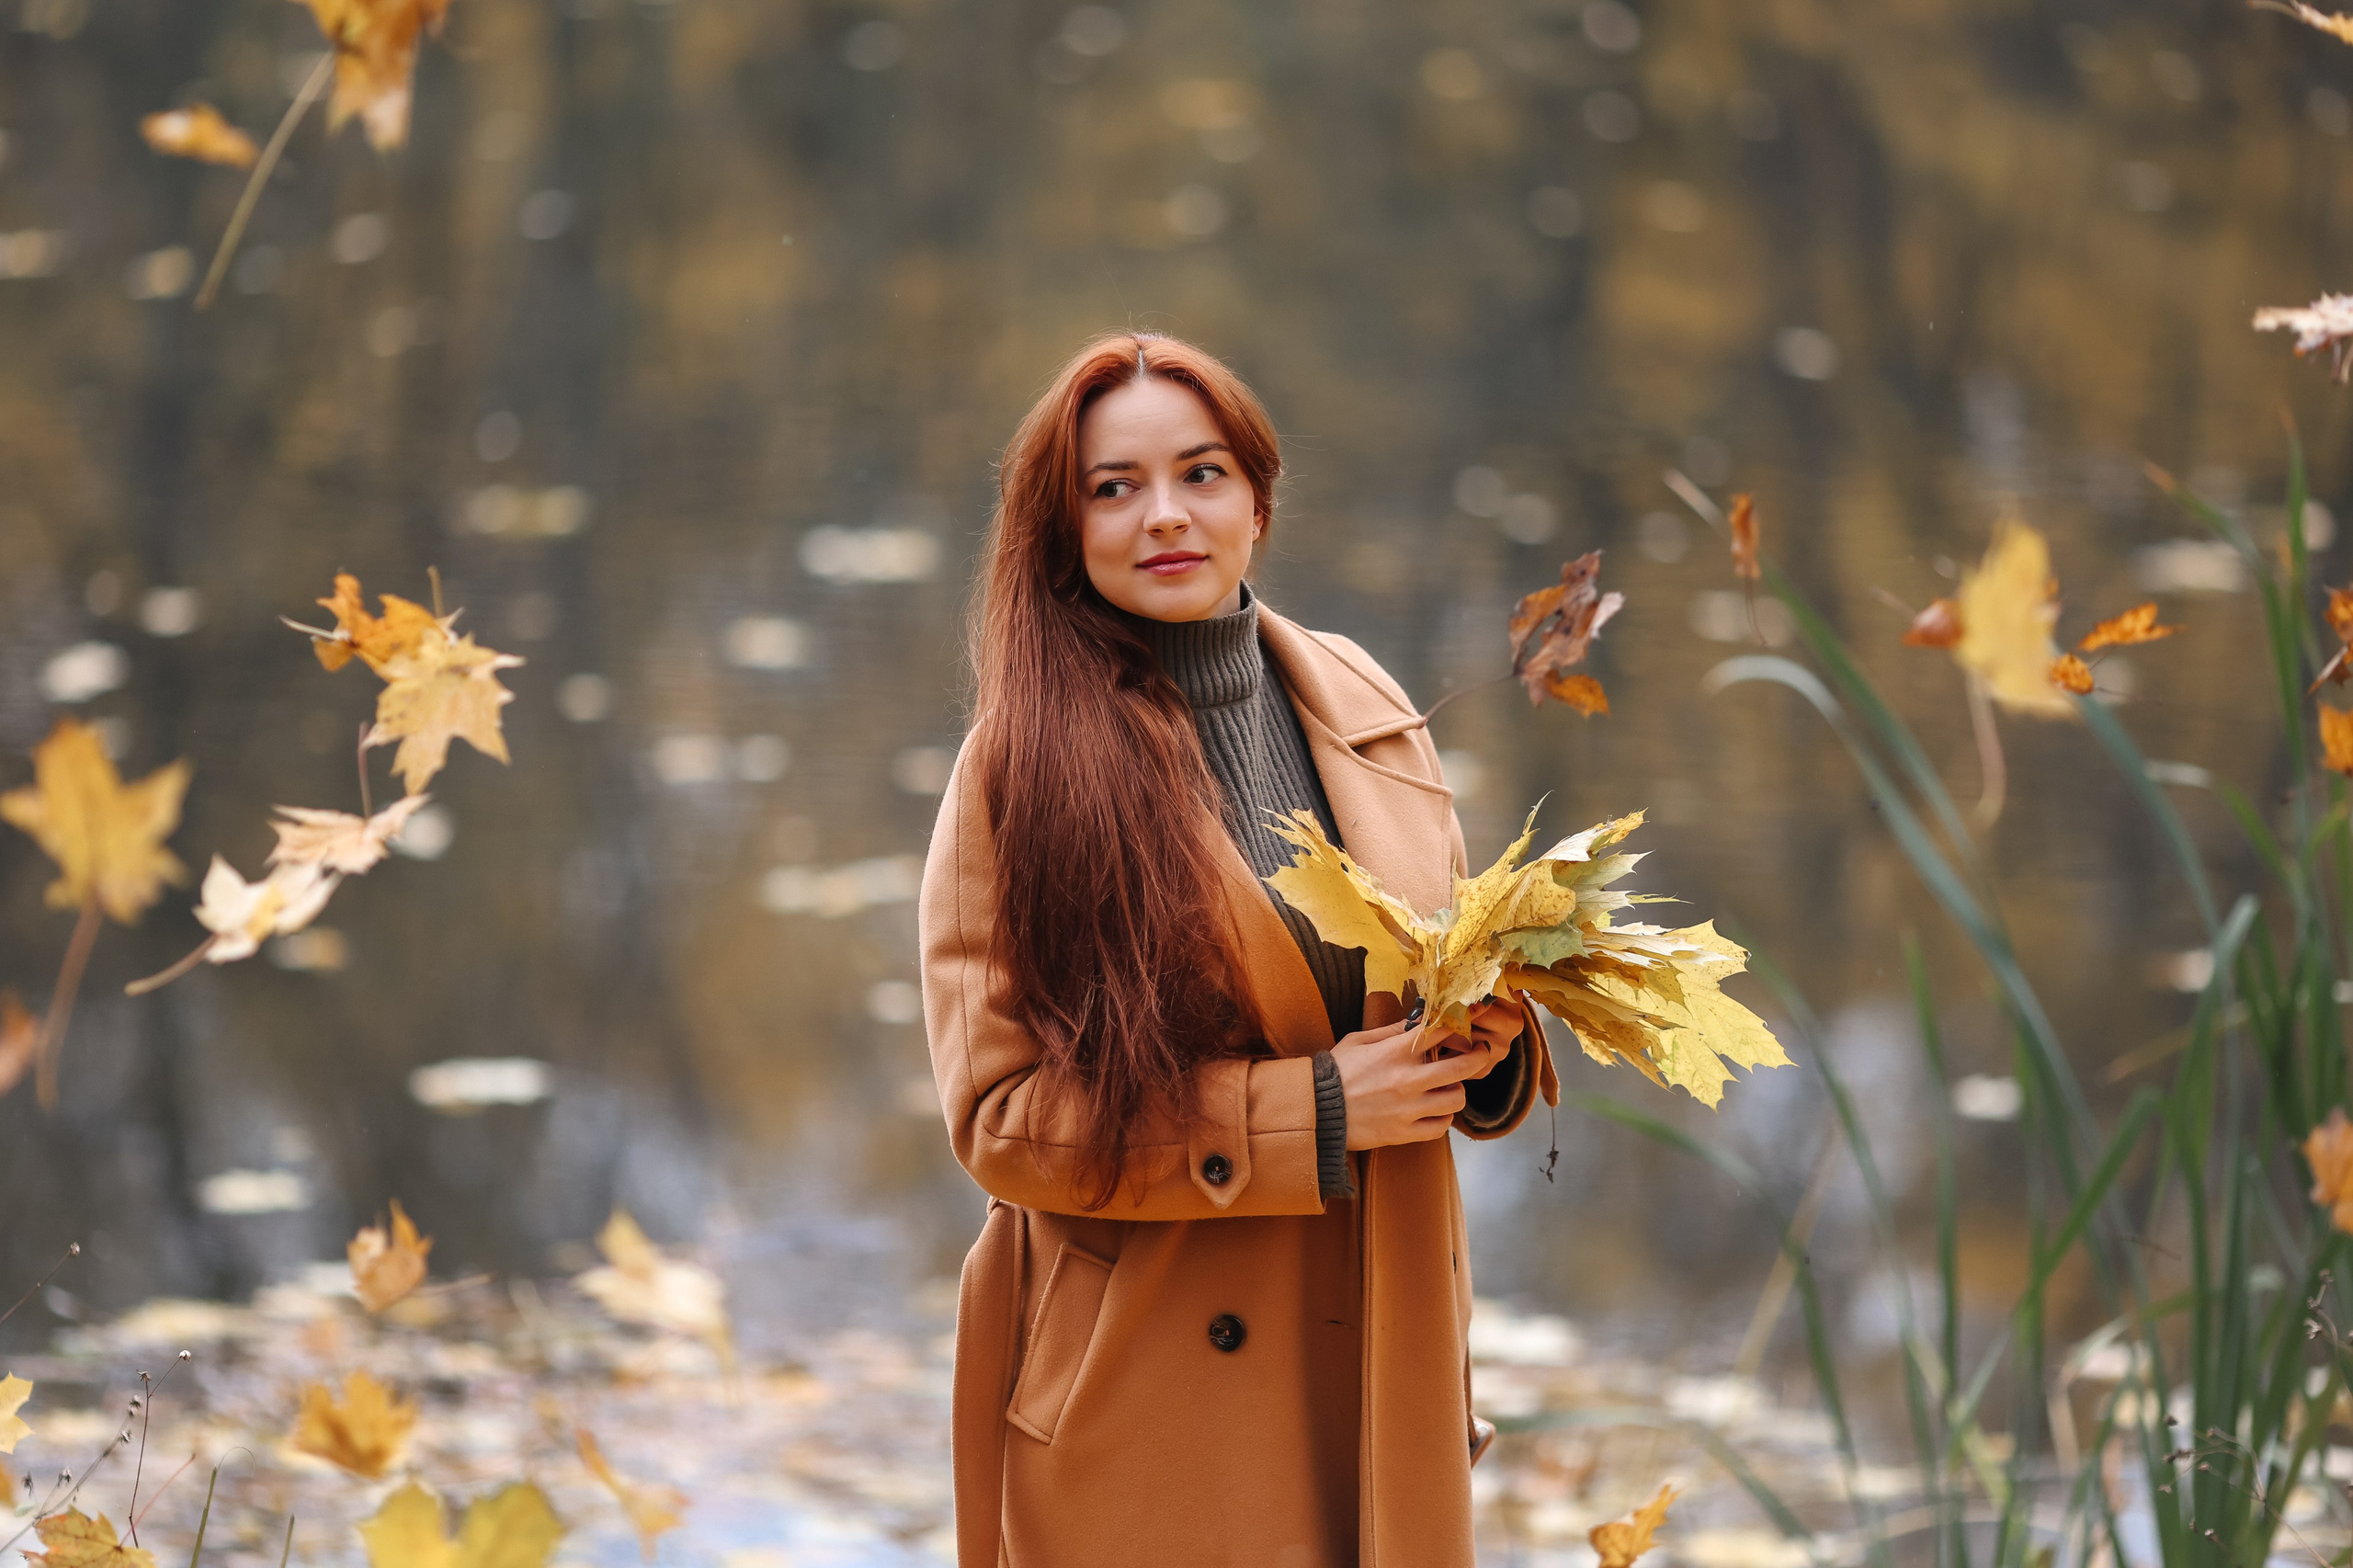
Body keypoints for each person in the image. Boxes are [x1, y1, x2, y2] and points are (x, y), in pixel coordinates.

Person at [918, 331, 1558, 1567]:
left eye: (1201, 473)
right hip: (1154, 1403)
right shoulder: (1017, 770)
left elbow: (1439, 962)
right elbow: (998, 1115)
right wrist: (1313, 1112)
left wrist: (1480, 1049)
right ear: (1067, 526)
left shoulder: (1364, 699)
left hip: (1375, 1356)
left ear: (1257, 499)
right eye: (1114, 487)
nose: (1165, 515)